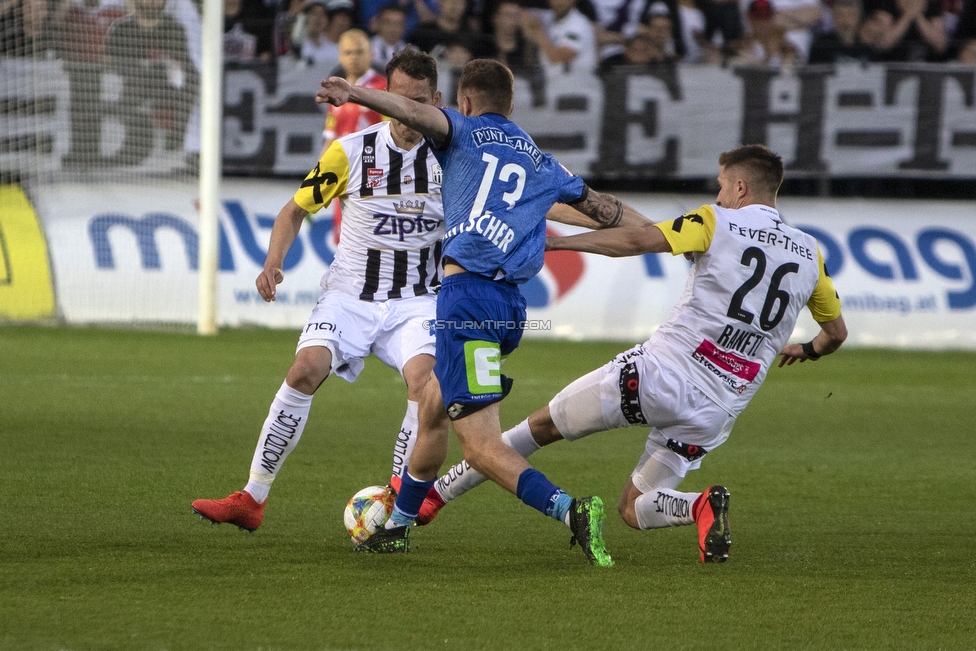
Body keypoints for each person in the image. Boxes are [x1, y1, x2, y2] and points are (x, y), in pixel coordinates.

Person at [416, 144, 848, 564]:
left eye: (720, 186)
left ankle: (431, 499)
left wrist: (557, 245)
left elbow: (638, 241)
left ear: (739, 188)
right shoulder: (811, 252)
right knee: (635, 508)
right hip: (718, 410)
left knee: (539, 428)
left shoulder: (716, 220)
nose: (716, 195)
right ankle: (700, 506)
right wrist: (807, 349)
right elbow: (836, 334)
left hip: (659, 375)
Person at [316, 58, 650, 567]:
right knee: (431, 404)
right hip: (508, 307)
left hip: (466, 302)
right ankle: (400, 526)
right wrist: (676, 236)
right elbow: (609, 211)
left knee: (479, 448)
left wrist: (355, 93)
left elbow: (411, 110)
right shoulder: (544, 163)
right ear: (512, 106)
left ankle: (572, 511)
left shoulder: (462, 132)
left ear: (464, 102)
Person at [191, 49, 447, 533]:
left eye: (418, 101)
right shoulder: (350, 151)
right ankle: (252, 498)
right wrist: (273, 262)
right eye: (398, 99)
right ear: (382, 97)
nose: (408, 112)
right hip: (349, 295)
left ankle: (397, 498)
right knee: (304, 369)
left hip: (418, 300)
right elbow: (294, 210)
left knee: (426, 384)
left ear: (434, 100)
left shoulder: (451, 159)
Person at [103, 0, 198, 164]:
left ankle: (175, 147)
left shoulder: (174, 29)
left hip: (165, 90)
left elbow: (184, 68)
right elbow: (108, 67)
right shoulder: (121, 29)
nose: (152, 2)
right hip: (129, 92)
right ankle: (130, 149)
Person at [321, 28, 389, 241]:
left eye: (359, 51)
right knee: (344, 242)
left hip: (375, 177)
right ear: (340, 55)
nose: (354, 57)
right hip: (344, 177)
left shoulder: (383, 88)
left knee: (372, 240)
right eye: (348, 52)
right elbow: (331, 138)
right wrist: (319, 174)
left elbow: (391, 132)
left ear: (371, 54)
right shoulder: (335, 91)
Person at [521, 0, 598, 77]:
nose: (557, 3)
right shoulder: (549, 17)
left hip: (577, 81)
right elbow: (523, 15)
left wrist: (538, 32)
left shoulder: (578, 24)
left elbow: (558, 58)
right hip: (554, 81)